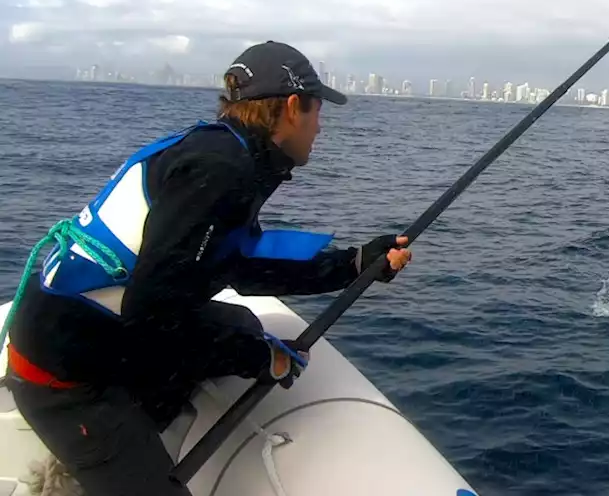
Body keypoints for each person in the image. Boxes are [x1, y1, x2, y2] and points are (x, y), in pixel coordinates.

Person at [1, 40, 413, 496]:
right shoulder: (222, 171)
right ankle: (92, 462)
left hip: (91, 333)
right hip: (65, 379)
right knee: (236, 343)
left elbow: (236, 264)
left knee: (238, 322)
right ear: (293, 107)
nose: (320, 127)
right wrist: (257, 358)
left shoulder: (224, 153)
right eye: (317, 111)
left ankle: (138, 426)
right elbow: (154, 315)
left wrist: (355, 264)